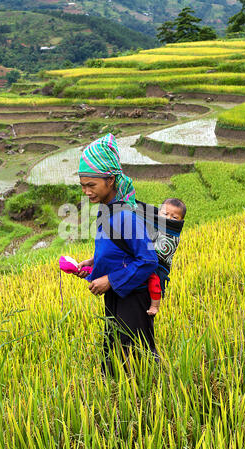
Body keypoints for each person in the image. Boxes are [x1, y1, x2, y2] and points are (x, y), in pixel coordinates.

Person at [75, 133, 159, 374]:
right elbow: (117, 247)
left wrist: (110, 279)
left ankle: (147, 402)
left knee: (135, 357)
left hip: (133, 296)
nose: (86, 191)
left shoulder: (125, 215)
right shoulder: (107, 209)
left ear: (110, 180)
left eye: (91, 185)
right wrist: (93, 263)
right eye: (83, 185)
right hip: (117, 292)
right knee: (114, 351)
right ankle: (116, 398)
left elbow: (147, 260)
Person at [147, 198, 186, 316]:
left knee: (154, 282)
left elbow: (162, 250)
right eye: (165, 214)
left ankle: (155, 306)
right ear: (158, 213)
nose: (168, 218)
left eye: (174, 217)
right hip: (146, 260)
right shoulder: (153, 223)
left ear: (181, 220)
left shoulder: (173, 232)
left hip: (158, 266)